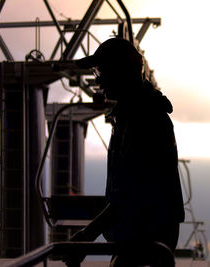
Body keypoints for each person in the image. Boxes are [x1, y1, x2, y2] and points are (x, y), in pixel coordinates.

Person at [69, 37, 185, 266]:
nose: (98, 81)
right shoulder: (134, 114)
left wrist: (86, 236)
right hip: (143, 236)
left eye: (102, 72)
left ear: (122, 72)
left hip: (147, 237)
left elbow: (128, 193)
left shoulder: (142, 117)